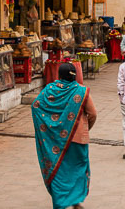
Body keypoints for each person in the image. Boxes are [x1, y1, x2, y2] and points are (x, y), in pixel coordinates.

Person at [32, 63, 97, 209]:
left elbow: (36, 106)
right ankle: (75, 202)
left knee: (59, 171)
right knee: (78, 169)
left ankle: (60, 203)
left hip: (53, 141)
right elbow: (93, 114)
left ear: (59, 75)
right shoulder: (81, 91)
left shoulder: (49, 89)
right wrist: (84, 128)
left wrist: (48, 128)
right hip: (77, 138)